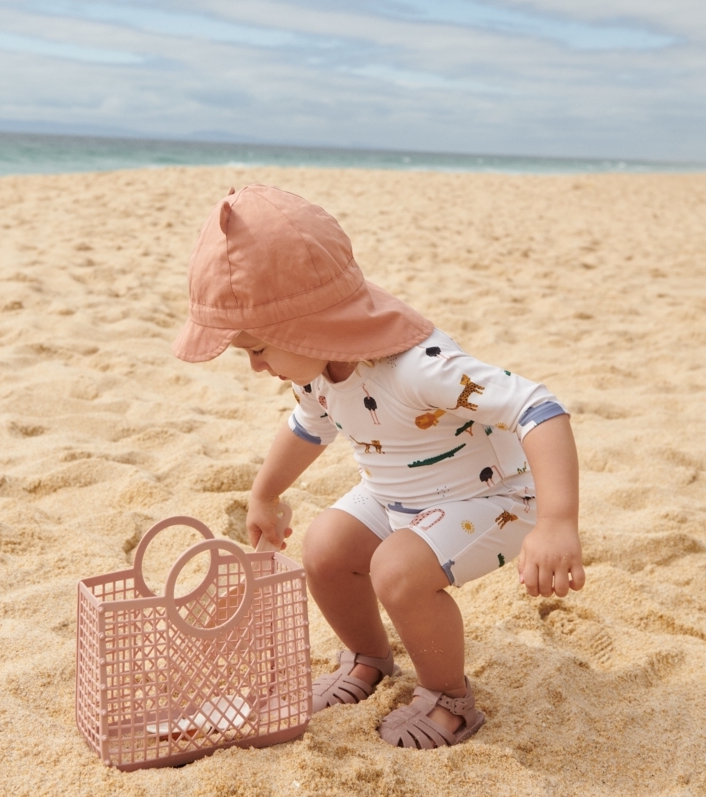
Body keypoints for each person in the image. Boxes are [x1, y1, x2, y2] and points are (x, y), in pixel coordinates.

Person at [173, 183, 585, 749]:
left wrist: (558, 522)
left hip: (496, 499)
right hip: (398, 494)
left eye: (258, 348)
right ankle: (369, 659)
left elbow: (538, 407)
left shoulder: (419, 368)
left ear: (309, 325)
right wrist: (264, 493)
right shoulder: (317, 370)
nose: (255, 366)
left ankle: (450, 701)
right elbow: (307, 427)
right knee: (324, 547)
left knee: (396, 569)